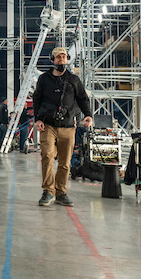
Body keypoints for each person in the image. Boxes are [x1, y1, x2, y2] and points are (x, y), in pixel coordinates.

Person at [32, 47, 93, 207]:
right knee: (47, 157)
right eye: (58, 58)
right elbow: (37, 99)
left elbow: (82, 98)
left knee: (65, 162)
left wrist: (88, 115)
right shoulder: (44, 79)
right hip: (48, 125)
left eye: (64, 57)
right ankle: (48, 191)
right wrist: (37, 119)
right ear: (52, 60)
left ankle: (60, 192)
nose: (61, 60)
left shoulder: (73, 80)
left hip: (67, 126)